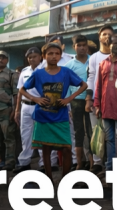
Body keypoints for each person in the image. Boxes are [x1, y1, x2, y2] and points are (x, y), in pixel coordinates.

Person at [20, 42, 86, 180]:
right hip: (42, 116)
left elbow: (83, 85)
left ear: (60, 56)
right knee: (46, 149)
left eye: (57, 54)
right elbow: (22, 89)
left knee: (67, 148)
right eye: (50, 54)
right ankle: (48, 179)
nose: (54, 56)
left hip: (61, 115)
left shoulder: (66, 72)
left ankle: (65, 180)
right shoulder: (38, 74)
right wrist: (35, 99)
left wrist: (69, 98)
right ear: (44, 56)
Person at [94, 33, 117, 171]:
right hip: (105, 106)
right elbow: (98, 85)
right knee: (109, 139)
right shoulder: (103, 63)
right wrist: (97, 105)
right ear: (108, 45)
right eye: (114, 43)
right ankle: (109, 169)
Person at [84, 25, 115, 172]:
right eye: (104, 34)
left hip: (115, 101)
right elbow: (91, 78)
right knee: (96, 131)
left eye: (110, 34)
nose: (107, 36)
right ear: (99, 37)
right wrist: (89, 99)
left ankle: (112, 163)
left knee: (114, 135)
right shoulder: (95, 57)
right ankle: (97, 162)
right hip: (97, 100)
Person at [65, 34, 93, 170]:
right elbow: (66, 87)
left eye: (84, 45)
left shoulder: (93, 61)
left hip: (91, 100)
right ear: (74, 47)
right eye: (79, 45)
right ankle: (80, 163)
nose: (82, 48)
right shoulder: (69, 65)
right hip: (75, 101)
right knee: (78, 132)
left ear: (87, 46)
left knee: (91, 131)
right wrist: (68, 106)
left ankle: (93, 163)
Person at [14, 47, 43, 172]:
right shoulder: (25, 71)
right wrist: (17, 110)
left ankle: (44, 163)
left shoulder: (45, 70)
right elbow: (20, 91)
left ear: (40, 57)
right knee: (25, 135)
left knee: (41, 135)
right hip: (26, 106)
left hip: (40, 106)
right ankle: (24, 162)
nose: (32, 59)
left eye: (34, 56)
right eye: (30, 57)